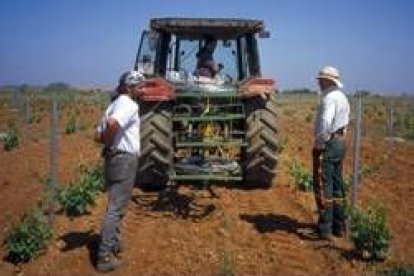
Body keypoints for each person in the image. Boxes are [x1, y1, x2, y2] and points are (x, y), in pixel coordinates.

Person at [94, 70, 143, 272]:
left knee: (116, 205)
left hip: (113, 158)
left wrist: (107, 142)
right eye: (139, 86)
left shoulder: (112, 105)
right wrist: (110, 141)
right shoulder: (128, 104)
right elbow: (112, 126)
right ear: (129, 87)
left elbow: (96, 134)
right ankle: (104, 257)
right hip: (123, 160)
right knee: (115, 208)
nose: (141, 89)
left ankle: (114, 243)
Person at [312, 66, 350, 240]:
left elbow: (326, 122)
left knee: (322, 184)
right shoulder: (342, 97)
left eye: (321, 80)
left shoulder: (329, 98)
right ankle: (339, 226)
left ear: (328, 81)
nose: (319, 82)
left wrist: (320, 142)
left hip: (328, 143)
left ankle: (325, 228)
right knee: (337, 184)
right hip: (340, 142)